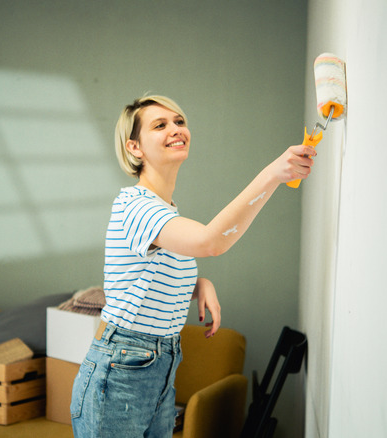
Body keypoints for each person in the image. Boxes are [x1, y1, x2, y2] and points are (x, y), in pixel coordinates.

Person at [70, 95, 317, 437]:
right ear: (135, 148)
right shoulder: (134, 204)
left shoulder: (166, 212)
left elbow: (148, 276)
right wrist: (273, 174)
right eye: (160, 125)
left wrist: (200, 285)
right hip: (122, 368)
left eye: (180, 121)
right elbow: (210, 241)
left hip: (160, 369)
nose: (176, 129)